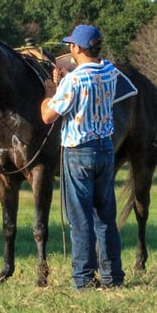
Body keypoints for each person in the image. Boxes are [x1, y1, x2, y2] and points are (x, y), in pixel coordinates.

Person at [40, 24, 124, 290]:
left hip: (78, 151)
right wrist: (67, 76)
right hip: (105, 149)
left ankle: (84, 279)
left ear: (77, 48)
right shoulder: (110, 70)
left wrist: (51, 89)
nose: (69, 48)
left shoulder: (73, 81)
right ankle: (113, 277)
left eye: (70, 45)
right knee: (105, 217)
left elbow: (47, 115)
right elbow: (91, 77)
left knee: (80, 219)